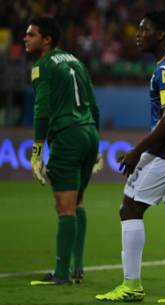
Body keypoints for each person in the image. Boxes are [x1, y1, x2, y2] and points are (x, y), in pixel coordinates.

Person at [95, 11, 165, 303]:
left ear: (160, 35)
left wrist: (136, 151)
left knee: (129, 208)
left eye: (143, 29)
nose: (137, 33)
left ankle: (131, 285)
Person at [25, 16, 102, 286]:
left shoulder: (41, 66)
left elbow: (41, 109)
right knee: (78, 201)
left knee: (64, 207)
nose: (26, 38)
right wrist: (97, 144)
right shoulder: (75, 61)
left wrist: (37, 151)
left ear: (46, 40)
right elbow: (93, 103)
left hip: (67, 135)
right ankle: (77, 267)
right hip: (89, 132)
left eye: (31, 34)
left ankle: (61, 274)